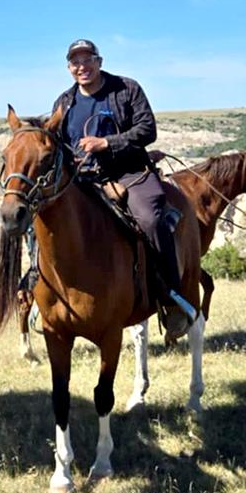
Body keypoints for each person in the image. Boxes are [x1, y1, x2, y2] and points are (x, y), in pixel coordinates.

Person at [52, 39, 196, 338]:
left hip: (129, 172)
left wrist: (107, 143)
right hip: (83, 179)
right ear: (69, 68)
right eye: (75, 62)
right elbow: (58, 145)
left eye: (87, 59)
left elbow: (147, 129)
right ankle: (38, 291)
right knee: (44, 220)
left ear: (99, 61)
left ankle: (172, 296)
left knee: (151, 219)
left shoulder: (126, 89)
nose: (82, 67)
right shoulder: (64, 102)